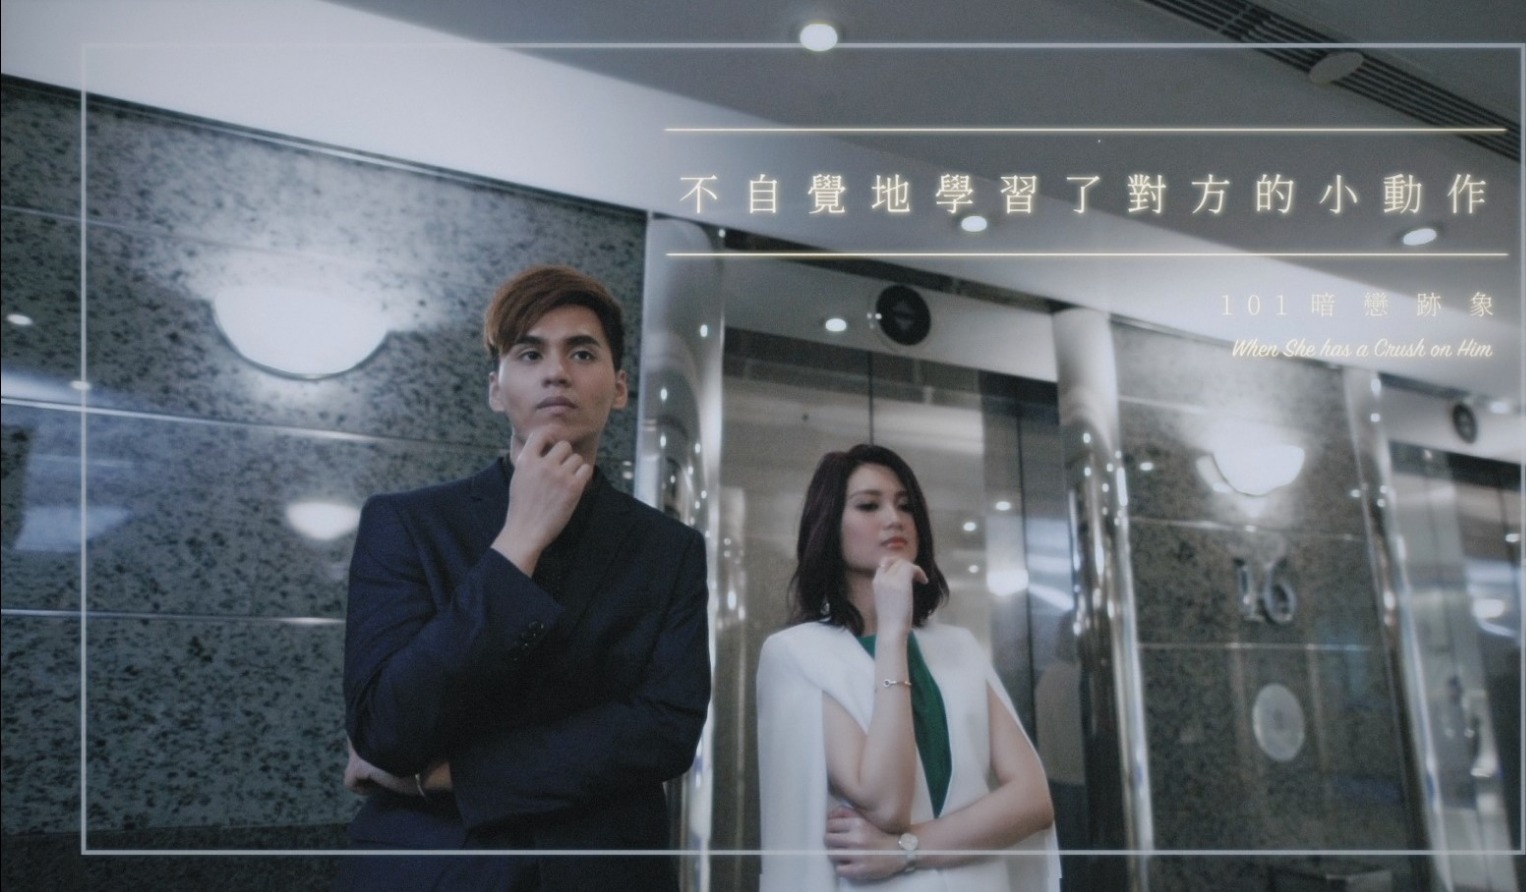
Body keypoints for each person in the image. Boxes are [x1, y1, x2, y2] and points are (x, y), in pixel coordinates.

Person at [337, 264, 711, 891]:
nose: (557, 372)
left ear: (619, 388)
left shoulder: (669, 549)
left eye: (582, 353)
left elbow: (665, 731)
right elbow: (386, 729)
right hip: (434, 868)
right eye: (530, 353)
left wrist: (447, 774)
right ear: (496, 389)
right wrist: (517, 545)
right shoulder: (407, 523)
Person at [756, 444, 1060, 890]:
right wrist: (892, 633)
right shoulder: (797, 654)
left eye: (905, 506)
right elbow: (885, 802)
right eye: (869, 505)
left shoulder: (958, 646)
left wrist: (906, 850)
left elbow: (1033, 799)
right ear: (829, 527)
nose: (894, 519)